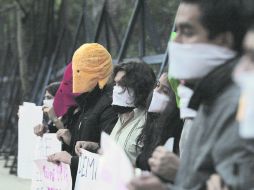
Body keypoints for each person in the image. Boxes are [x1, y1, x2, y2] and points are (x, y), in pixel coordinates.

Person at [128, 0, 254, 189]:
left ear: (224, 40)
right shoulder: (207, 98)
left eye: (187, 32)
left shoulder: (239, 104)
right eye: (176, 30)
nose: (175, 42)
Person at [47, 43, 118, 188]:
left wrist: (72, 160)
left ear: (97, 71)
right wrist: (71, 140)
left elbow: (108, 155)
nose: (76, 77)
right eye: (75, 70)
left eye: (81, 70)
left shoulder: (109, 103)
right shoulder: (86, 101)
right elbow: (86, 144)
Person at [75, 61, 156, 166]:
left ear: (139, 87)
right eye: (116, 83)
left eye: (122, 84)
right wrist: (95, 146)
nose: (116, 89)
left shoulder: (149, 123)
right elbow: (119, 151)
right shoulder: (121, 116)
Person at [135, 73, 183, 172]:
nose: (156, 91)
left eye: (164, 91)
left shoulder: (178, 136)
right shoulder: (152, 123)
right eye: (157, 85)